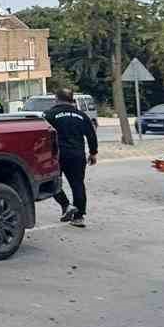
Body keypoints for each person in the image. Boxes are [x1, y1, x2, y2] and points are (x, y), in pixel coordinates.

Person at [44, 86, 98, 226]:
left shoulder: (49, 115)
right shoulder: (82, 115)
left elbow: (42, 136)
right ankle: (79, 217)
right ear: (72, 100)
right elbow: (91, 135)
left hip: (57, 155)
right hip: (77, 155)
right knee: (78, 184)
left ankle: (66, 205)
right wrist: (93, 153)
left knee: (52, 182)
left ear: (56, 99)